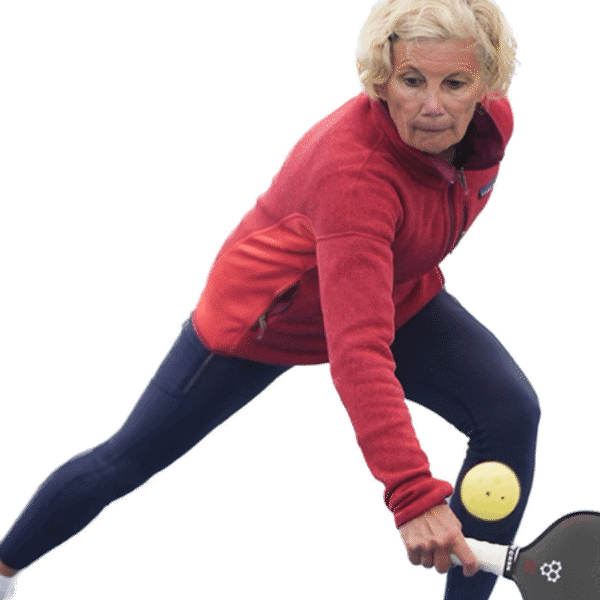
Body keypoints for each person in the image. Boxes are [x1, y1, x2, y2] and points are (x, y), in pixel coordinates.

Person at [0, 1, 541, 598]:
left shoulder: (488, 128)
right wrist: (412, 494)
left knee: (511, 413)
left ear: (485, 85)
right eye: (412, 81)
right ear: (382, 80)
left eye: (455, 83)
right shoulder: (356, 177)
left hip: (389, 288)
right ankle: (2, 568)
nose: (432, 106)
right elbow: (358, 349)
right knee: (123, 462)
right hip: (264, 318)